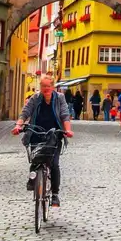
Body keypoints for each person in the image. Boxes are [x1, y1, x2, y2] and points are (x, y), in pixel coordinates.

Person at [12, 75, 73, 207]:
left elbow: (64, 115)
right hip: (36, 133)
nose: (46, 88)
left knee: (54, 164)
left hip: (54, 134)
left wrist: (67, 130)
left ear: (53, 86)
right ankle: (33, 177)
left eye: (48, 86)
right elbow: (25, 113)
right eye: (43, 86)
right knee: (35, 159)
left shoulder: (60, 98)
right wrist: (18, 125)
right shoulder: (35, 98)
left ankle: (55, 195)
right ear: (41, 87)